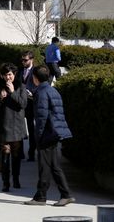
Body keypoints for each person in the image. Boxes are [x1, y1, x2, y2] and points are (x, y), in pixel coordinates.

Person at [24, 65, 75, 207]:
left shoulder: (41, 93)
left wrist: (38, 137)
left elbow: (41, 117)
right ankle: (63, 194)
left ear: (35, 78)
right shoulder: (52, 90)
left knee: (45, 166)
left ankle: (44, 196)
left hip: (47, 134)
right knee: (52, 166)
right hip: (56, 132)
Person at [0, 63, 27, 192]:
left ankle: (16, 178)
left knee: (16, 156)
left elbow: (23, 104)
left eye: (10, 74)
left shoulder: (21, 86)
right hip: (3, 125)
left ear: (14, 74)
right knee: (5, 155)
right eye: (5, 75)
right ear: (1, 75)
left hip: (16, 125)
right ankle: (5, 182)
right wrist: (0, 98)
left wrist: (12, 93)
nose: (8, 77)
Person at [20, 50, 38, 162]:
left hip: (31, 103)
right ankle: (20, 152)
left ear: (31, 60)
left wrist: (32, 93)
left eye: (25, 60)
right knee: (20, 129)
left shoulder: (36, 71)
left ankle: (32, 153)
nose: (23, 62)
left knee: (31, 129)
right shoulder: (20, 70)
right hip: (21, 103)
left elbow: (39, 84)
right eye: (22, 60)